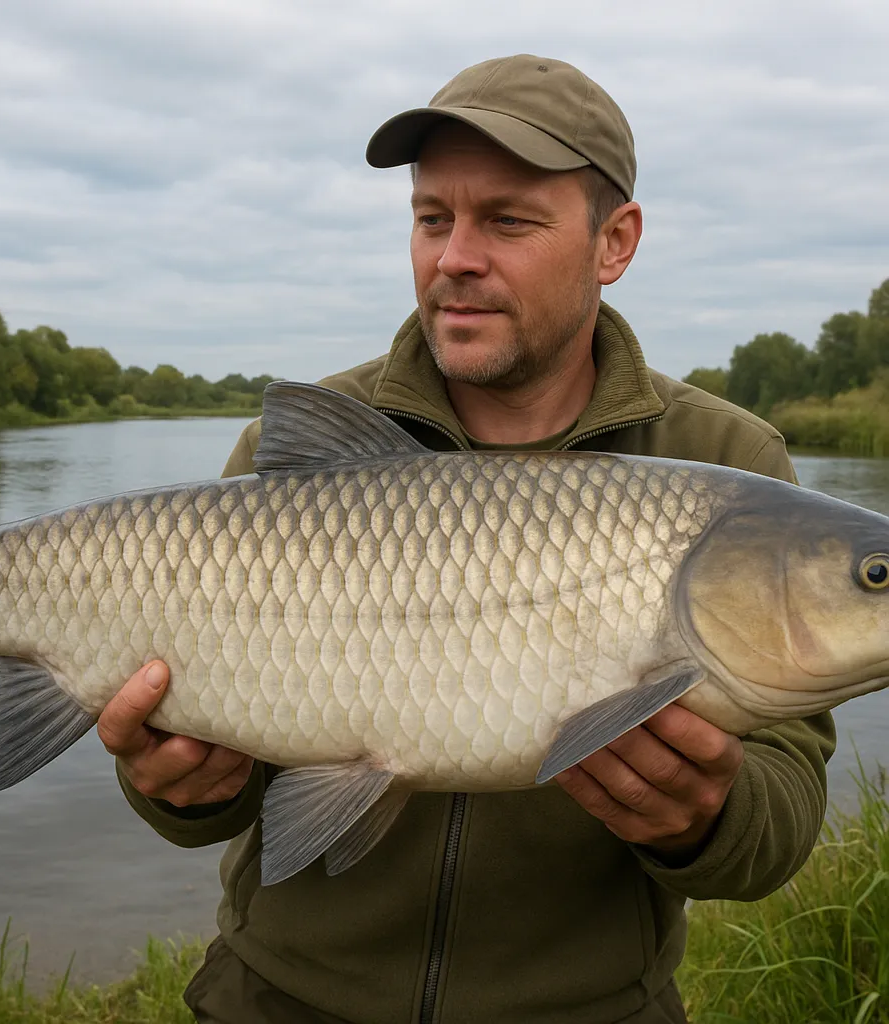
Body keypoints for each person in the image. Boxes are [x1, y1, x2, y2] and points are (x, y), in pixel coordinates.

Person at [96, 55, 836, 1023]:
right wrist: (178, 788)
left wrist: (710, 816)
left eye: (508, 220)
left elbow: (780, 815)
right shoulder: (303, 450)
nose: (453, 258)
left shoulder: (724, 461)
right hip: (277, 998)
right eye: (432, 217)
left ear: (614, 241)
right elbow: (213, 803)